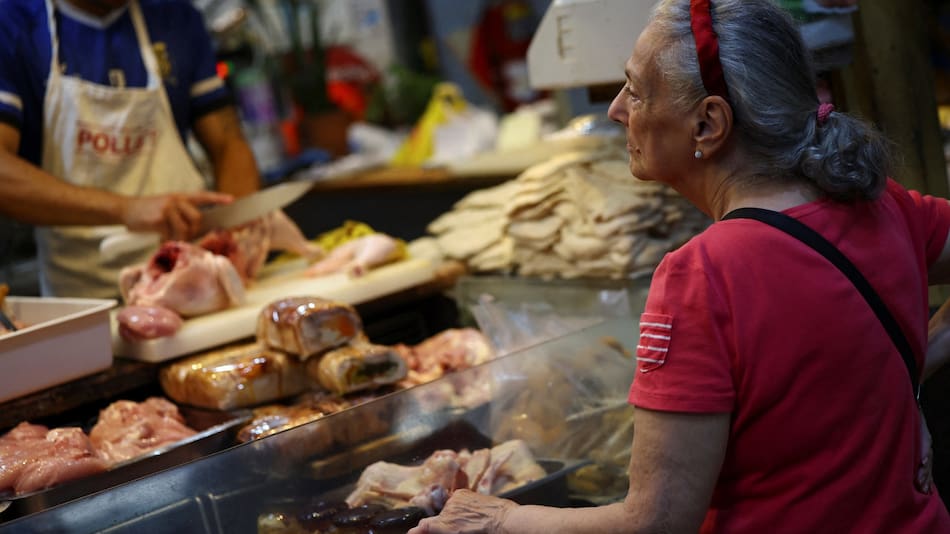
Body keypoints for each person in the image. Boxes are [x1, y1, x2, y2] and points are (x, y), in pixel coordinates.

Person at [409, 0, 950, 532]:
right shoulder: (884, 205)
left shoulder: (705, 276)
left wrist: (504, 518)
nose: (615, 110)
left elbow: (658, 520)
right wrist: (902, 377)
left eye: (636, 91)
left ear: (708, 124)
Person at [0, 0, 261, 298]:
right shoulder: (13, 21)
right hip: (89, 299)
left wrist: (233, 236)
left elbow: (228, 142)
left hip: (194, 279)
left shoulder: (174, 15)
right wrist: (126, 208)